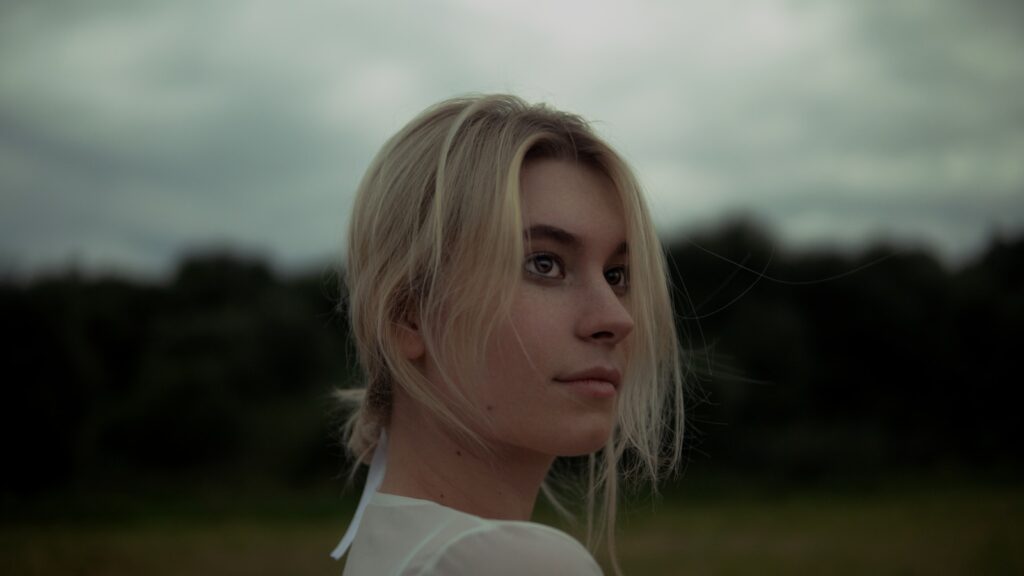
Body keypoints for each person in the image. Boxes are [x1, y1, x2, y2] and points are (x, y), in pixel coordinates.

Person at [331, 94, 684, 575]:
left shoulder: (389, 553)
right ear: (407, 315)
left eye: (618, 275)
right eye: (545, 263)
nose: (616, 319)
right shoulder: (503, 562)